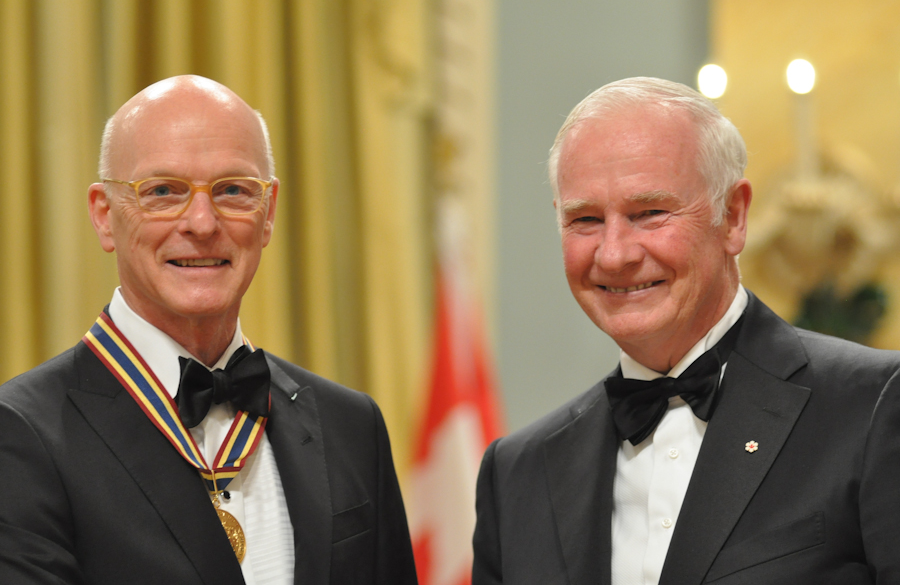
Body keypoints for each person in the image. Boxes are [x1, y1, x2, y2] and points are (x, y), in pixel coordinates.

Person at [472, 77, 900, 584]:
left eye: (649, 213)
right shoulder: (517, 472)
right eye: (585, 219)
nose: (614, 254)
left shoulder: (873, 406)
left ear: (734, 217)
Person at [0, 75, 418, 585]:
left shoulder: (351, 427)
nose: (201, 222)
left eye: (234, 191)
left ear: (268, 215)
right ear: (105, 216)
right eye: (162, 191)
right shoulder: (19, 436)